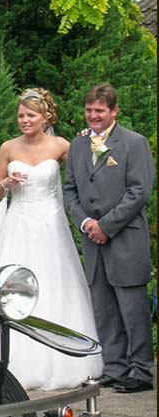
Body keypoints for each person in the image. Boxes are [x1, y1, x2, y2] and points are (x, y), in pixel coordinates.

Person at [0, 87, 103, 390]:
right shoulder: (8, 147)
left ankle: (61, 356)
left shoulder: (61, 145)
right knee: (11, 287)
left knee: (56, 284)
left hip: (50, 224)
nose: (24, 120)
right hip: (17, 223)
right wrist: (5, 183)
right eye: (20, 115)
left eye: (30, 115)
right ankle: (4, 359)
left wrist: (90, 141)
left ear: (46, 117)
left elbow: (88, 169)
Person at [64, 83, 154, 393]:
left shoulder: (134, 143)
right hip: (92, 239)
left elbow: (139, 191)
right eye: (89, 110)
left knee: (133, 308)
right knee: (103, 307)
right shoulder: (78, 146)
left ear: (114, 111)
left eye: (99, 111)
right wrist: (87, 222)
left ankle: (142, 371)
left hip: (125, 238)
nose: (93, 116)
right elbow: (70, 190)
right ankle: (115, 367)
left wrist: (106, 225)